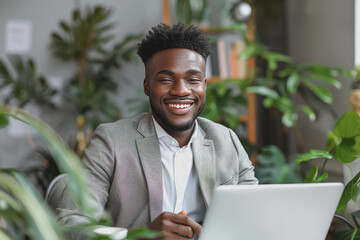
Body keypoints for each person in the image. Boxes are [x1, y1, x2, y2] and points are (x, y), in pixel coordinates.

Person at [48, 22, 258, 240]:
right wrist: (140, 236)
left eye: (193, 80)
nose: (181, 90)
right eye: (166, 79)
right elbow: (72, 225)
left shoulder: (226, 140)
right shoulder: (111, 141)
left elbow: (255, 213)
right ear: (147, 86)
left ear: (204, 85)